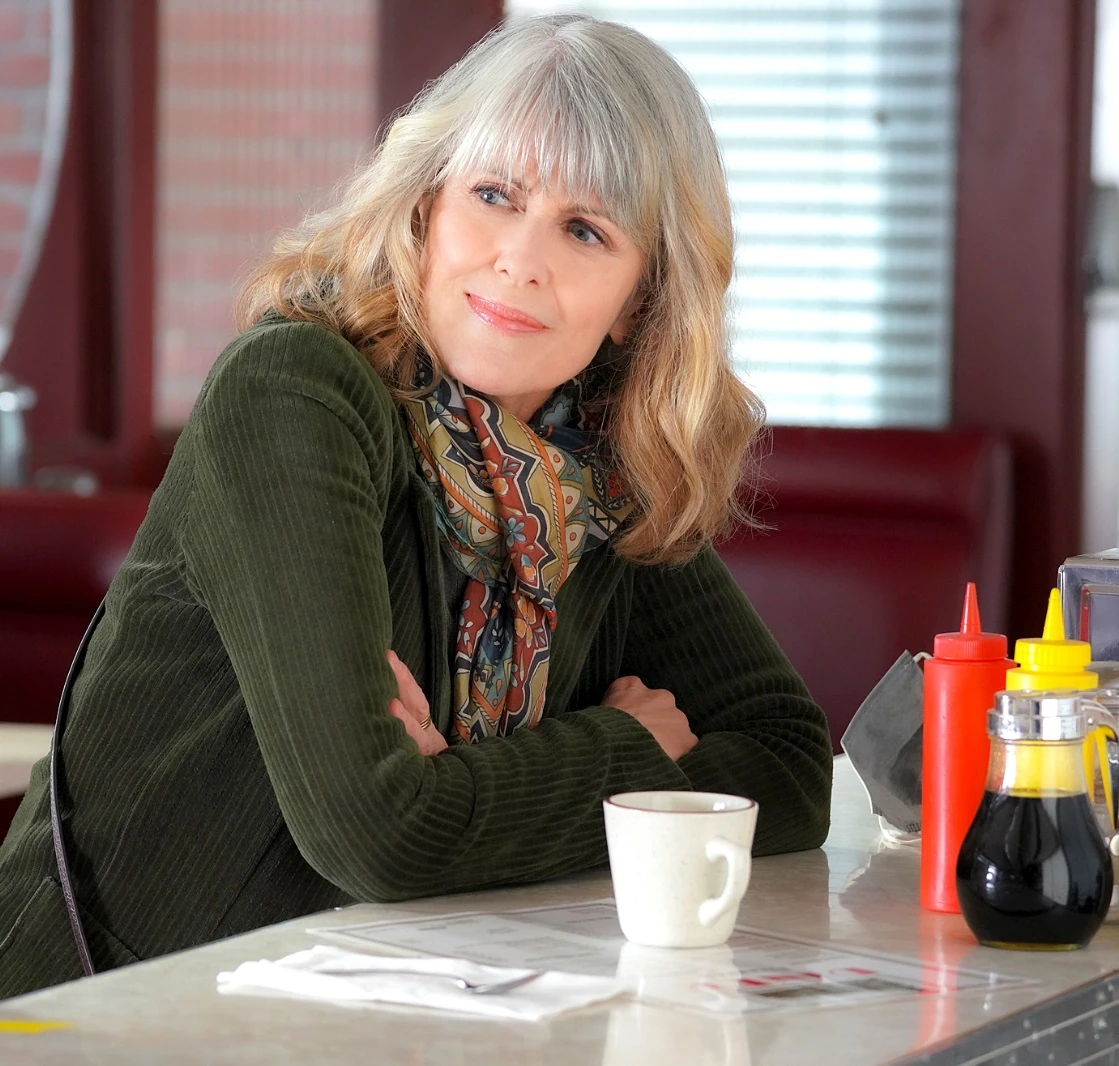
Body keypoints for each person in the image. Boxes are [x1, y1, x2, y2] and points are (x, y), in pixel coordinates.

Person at [0, 13, 832, 999]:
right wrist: (630, 753)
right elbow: (380, 832)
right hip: (105, 1014)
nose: (520, 258)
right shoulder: (293, 394)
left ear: (640, 303)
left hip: (384, 1010)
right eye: (494, 194)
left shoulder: (596, 475)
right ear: (424, 206)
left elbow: (790, 766)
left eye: (584, 230)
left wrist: (466, 791)